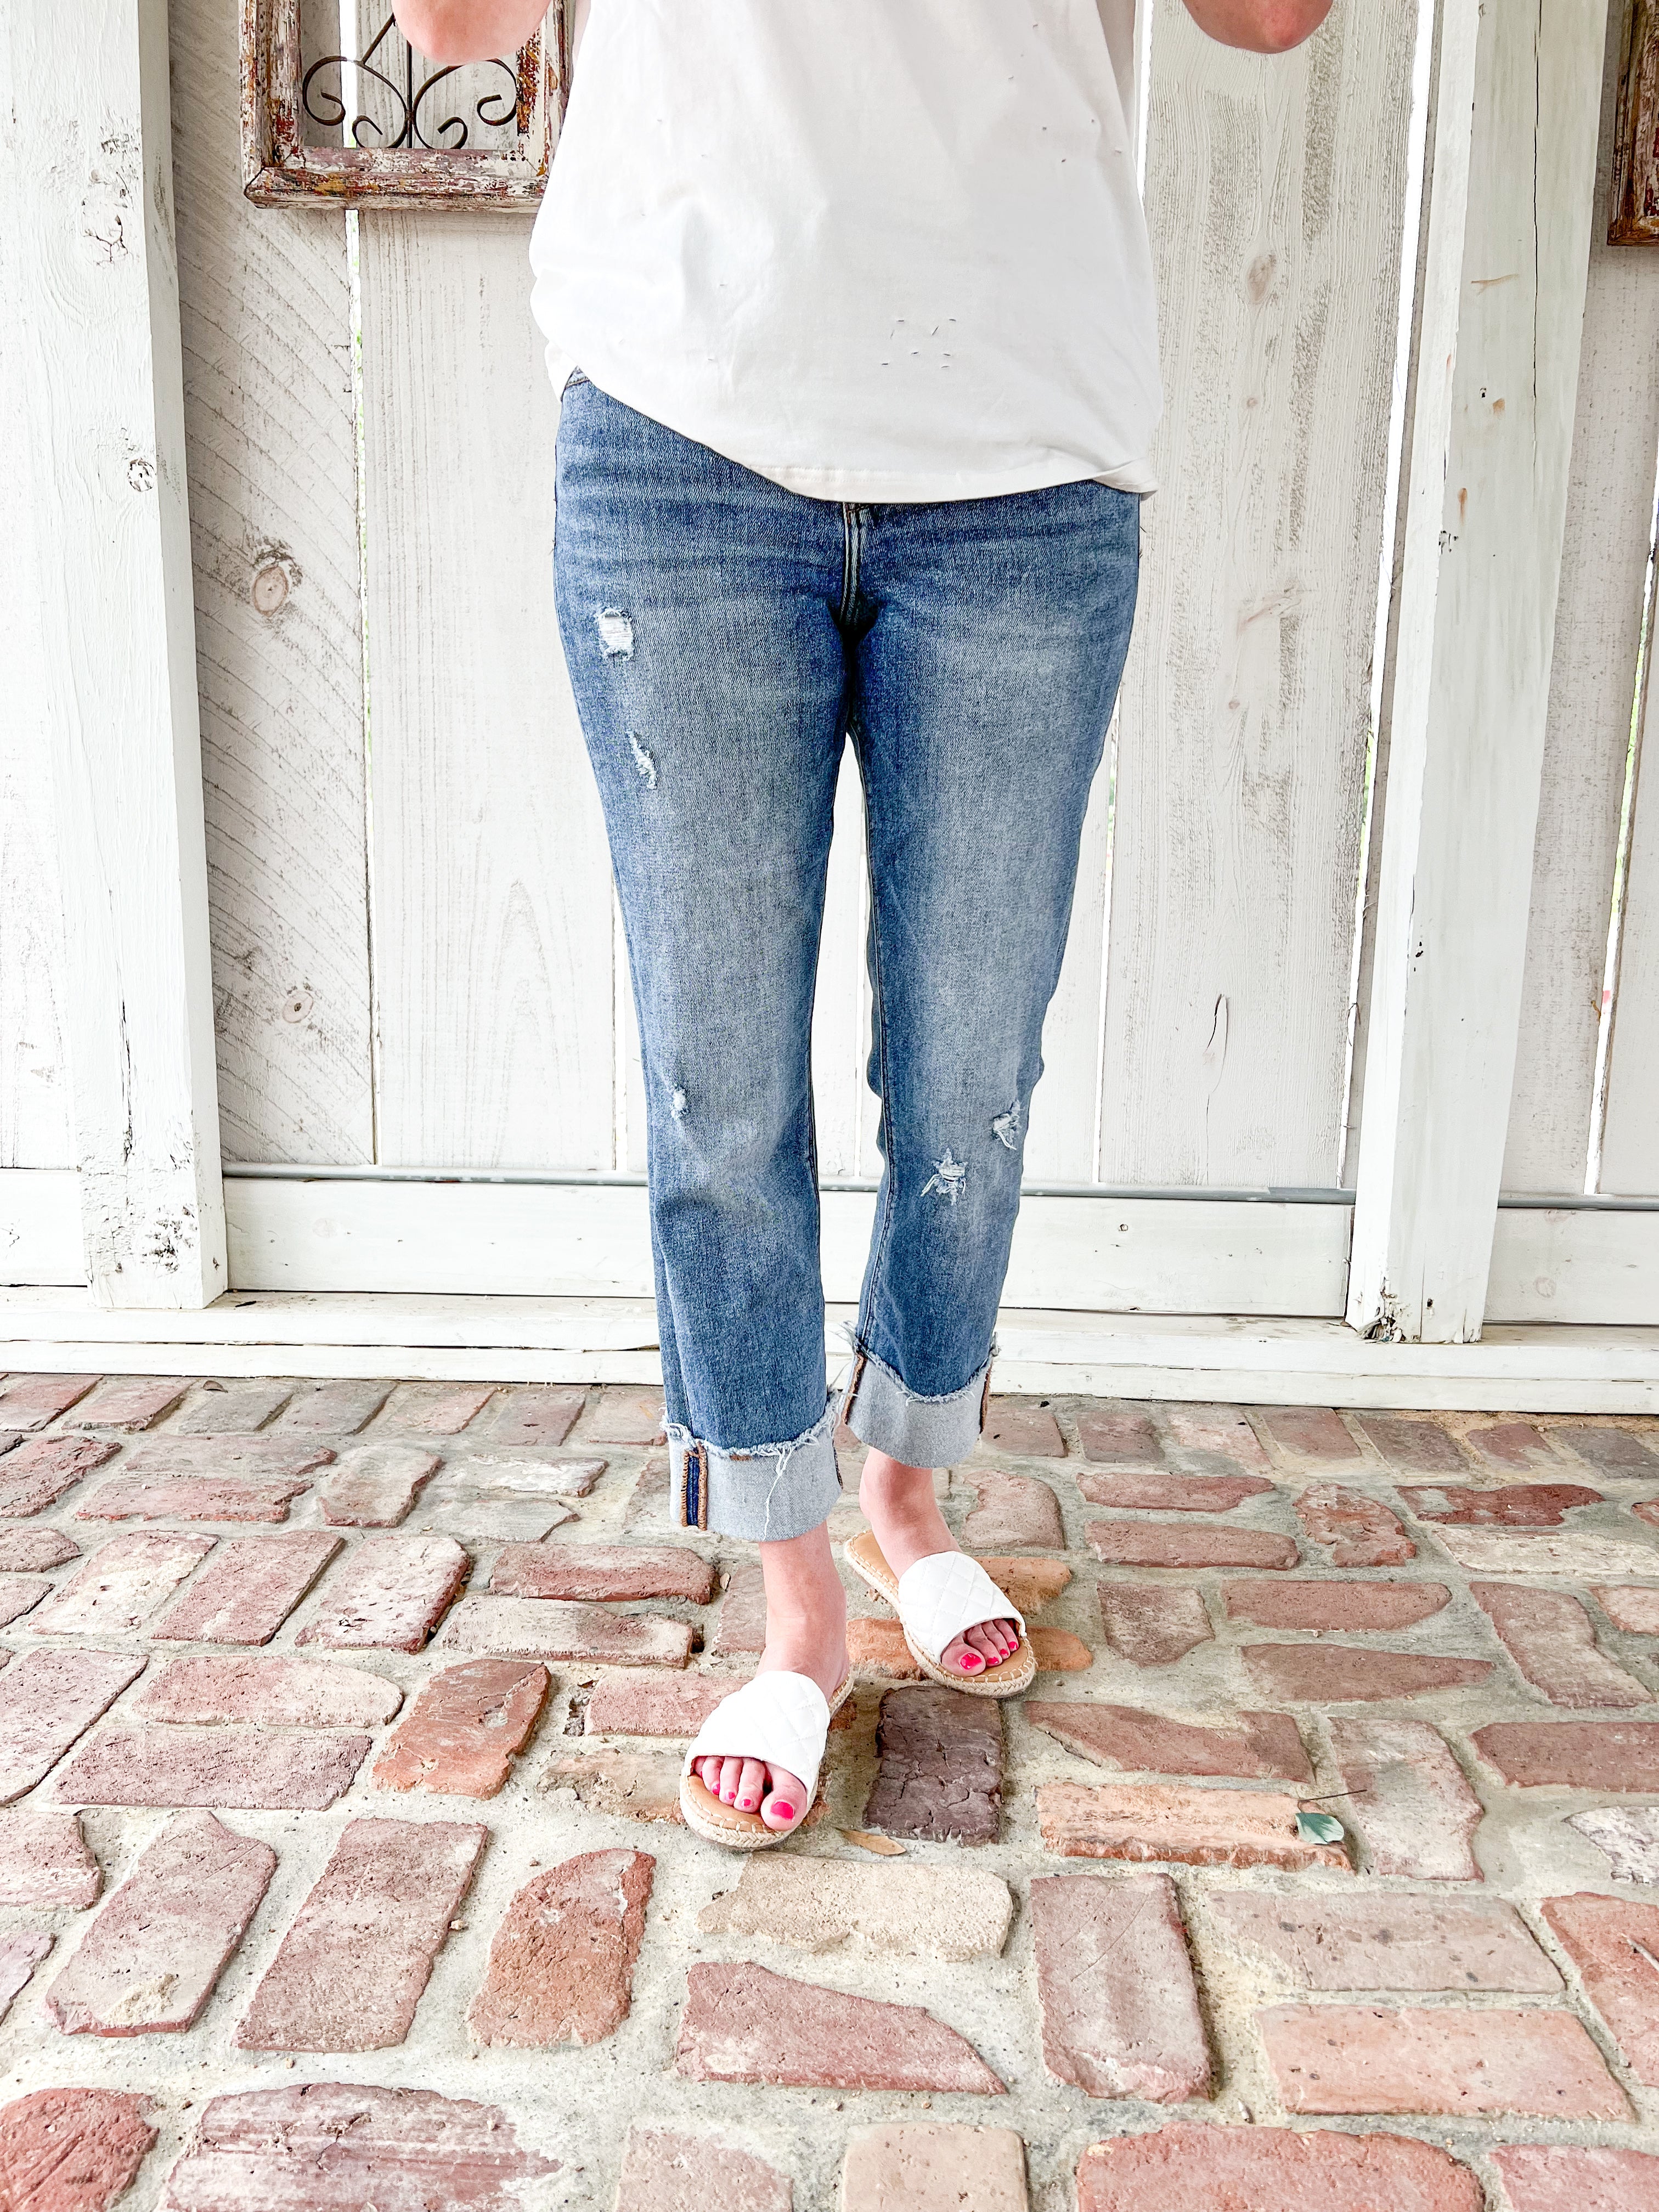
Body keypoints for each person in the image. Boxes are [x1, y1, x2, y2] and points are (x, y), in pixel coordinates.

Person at [394, 0, 1331, 1848]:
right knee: (717, 1079)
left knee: (970, 1060)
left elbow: (1269, 17)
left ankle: (912, 1487)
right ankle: (797, 1594)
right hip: (683, 419)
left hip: (1022, 453)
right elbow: (457, 23)